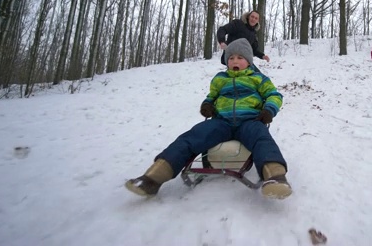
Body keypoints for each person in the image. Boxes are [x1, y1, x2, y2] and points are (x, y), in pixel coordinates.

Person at [125, 38, 292, 199]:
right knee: (192, 136)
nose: (235, 61)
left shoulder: (258, 79)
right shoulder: (220, 79)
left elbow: (274, 95)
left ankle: (275, 176)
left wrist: (269, 110)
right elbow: (212, 96)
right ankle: (153, 178)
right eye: (231, 58)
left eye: (240, 58)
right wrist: (207, 104)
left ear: (249, 61)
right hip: (222, 122)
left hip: (250, 121)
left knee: (262, 138)